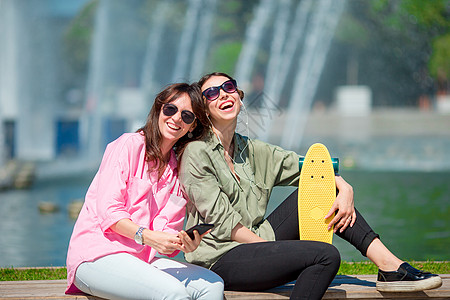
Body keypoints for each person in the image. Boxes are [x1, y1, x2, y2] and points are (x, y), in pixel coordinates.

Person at [178, 72, 442, 300]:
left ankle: (390, 267)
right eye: (212, 93)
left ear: (239, 96)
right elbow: (224, 224)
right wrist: (272, 251)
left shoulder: (251, 149)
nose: (223, 94)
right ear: (203, 109)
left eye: (229, 87)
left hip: (259, 241)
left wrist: (344, 189)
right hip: (223, 258)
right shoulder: (196, 153)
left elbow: (314, 169)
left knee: (327, 190)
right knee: (325, 255)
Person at [66, 83, 224, 300]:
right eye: (170, 109)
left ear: (192, 126)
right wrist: (146, 236)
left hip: (141, 261)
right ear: (159, 109)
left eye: (187, 116)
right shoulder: (128, 145)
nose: (176, 118)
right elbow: (109, 213)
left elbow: (165, 235)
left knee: (213, 284)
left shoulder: (177, 171)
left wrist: (184, 244)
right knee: (173, 293)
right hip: (95, 257)